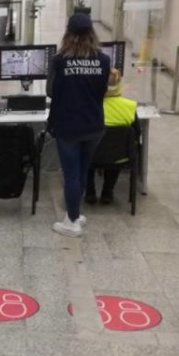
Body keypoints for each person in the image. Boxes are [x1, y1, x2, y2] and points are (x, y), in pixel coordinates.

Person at [46, 13, 111, 238]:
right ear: (92, 33)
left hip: (68, 126)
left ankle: (72, 222)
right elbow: (102, 91)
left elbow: (50, 91)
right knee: (83, 171)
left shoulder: (59, 60)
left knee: (71, 174)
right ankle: (74, 214)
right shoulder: (104, 61)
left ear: (68, 34)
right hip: (94, 125)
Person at [85, 68, 140, 204]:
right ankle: (107, 192)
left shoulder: (89, 106)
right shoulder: (130, 106)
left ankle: (90, 192)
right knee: (117, 150)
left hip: (91, 156)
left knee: (85, 149)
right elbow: (137, 132)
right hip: (119, 157)